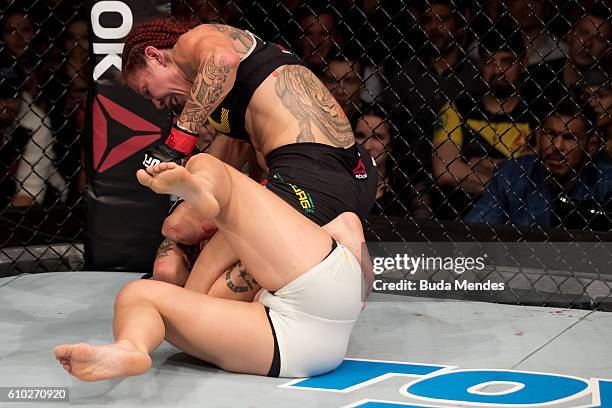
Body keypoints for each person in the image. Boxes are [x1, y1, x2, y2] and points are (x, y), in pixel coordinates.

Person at [54, 154, 371, 380]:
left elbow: (348, 228)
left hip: (296, 341)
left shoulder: (231, 248)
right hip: (304, 340)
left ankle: (201, 185)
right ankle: (130, 349)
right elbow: (349, 227)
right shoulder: (221, 263)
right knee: (136, 293)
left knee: (209, 168)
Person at [121, 19, 376, 293]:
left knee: (205, 296)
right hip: (348, 174)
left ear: (155, 56)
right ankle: (332, 248)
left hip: (312, 177)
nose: (157, 103)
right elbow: (231, 176)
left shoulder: (190, 44)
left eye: (148, 91)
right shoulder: (239, 102)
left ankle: (339, 243)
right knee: (175, 242)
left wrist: (179, 139)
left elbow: (222, 59)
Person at [431, 20, 536, 220]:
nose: (497, 70)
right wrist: (510, 172)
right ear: (480, 64)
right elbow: (445, 171)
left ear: (523, 63)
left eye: (507, 61)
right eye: (489, 61)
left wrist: (477, 165)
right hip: (460, 214)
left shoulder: (537, 113)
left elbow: (540, 176)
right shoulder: (456, 109)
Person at [465, 98, 612, 231]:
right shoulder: (512, 174)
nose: (557, 145)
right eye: (550, 134)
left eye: (569, 137)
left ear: (591, 145)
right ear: (538, 135)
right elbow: (470, 233)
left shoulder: (606, 183)